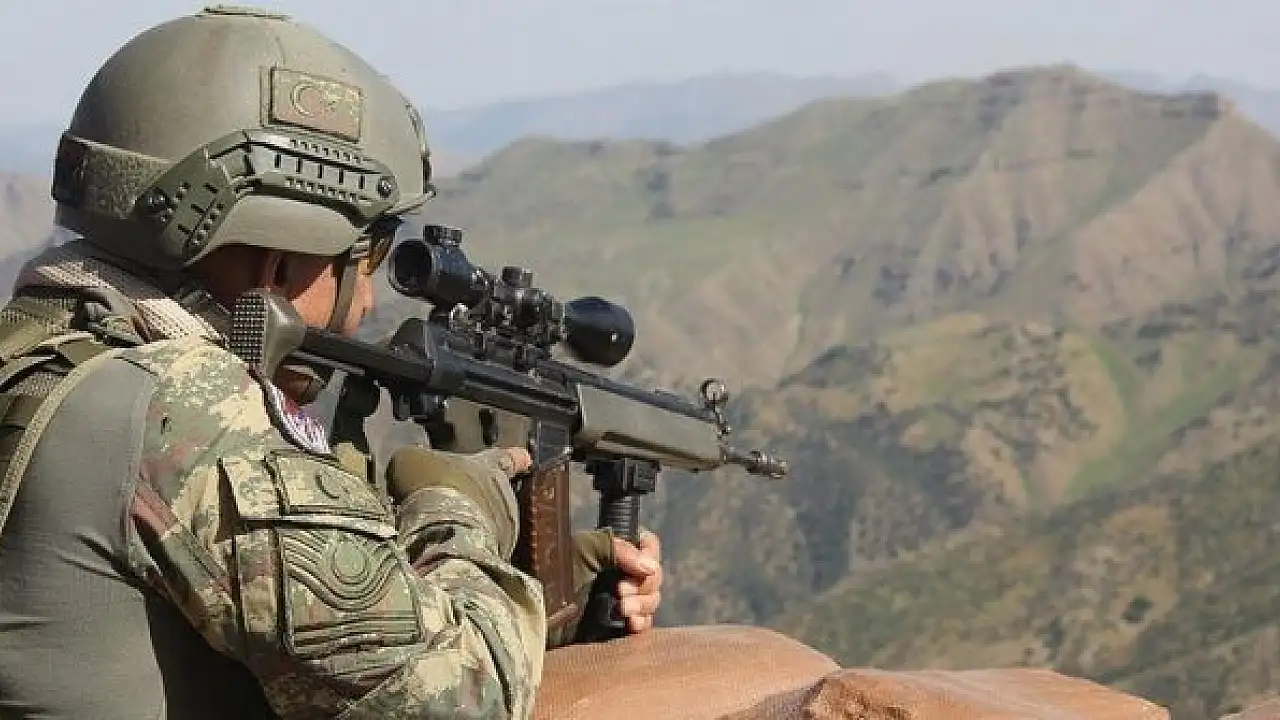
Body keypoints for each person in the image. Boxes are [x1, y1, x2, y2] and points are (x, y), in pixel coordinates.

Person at [0, 6, 661, 719]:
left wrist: (536, 583)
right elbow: (460, 701)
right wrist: (459, 509)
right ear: (278, 260)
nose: (366, 300)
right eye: (366, 255)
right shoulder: (185, 407)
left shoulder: (50, 352)